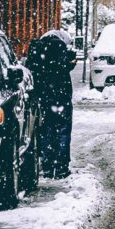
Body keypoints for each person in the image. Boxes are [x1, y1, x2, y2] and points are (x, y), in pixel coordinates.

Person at [26, 30, 77, 179]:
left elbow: (33, 69)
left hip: (44, 97)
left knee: (46, 129)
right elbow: (62, 68)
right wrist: (70, 63)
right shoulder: (60, 47)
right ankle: (61, 167)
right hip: (61, 97)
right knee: (62, 130)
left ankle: (47, 165)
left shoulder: (37, 48)